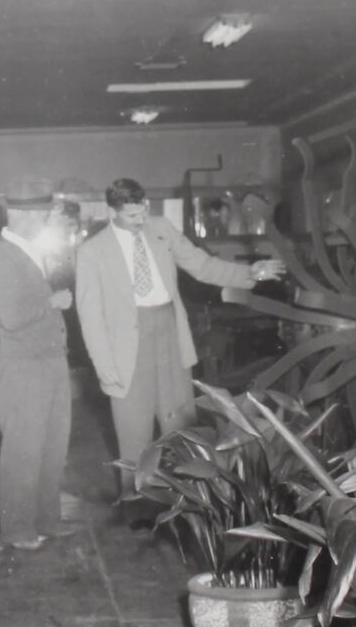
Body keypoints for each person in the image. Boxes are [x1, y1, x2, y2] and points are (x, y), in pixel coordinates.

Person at [75, 178, 285, 509]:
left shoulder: (161, 229)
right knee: (134, 438)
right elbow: (90, 317)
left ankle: (185, 511)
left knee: (181, 430)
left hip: (170, 337)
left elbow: (202, 265)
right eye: (131, 215)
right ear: (112, 212)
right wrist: (104, 365)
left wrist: (250, 273)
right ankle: (139, 513)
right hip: (126, 349)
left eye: (143, 210)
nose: (140, 220)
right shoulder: (92, 251)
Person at [0, 196, 76, 550]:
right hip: (23, 364)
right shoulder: (1, 257)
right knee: (22, 447)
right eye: (42, 214)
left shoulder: (29, 251)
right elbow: (11, 316)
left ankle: (48, 520)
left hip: (50, 359)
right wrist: (52, 302)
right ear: (21, 214)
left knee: (54, 444)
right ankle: (18, 529)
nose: (46, 220)